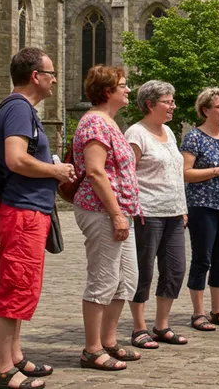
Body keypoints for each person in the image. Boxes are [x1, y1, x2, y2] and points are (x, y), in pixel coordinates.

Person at [0, 48, 75, 389]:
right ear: (35, 76)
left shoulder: (20, 108)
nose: (55, 78)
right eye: (51, 72)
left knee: (23, 287)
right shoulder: (19, 109)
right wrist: (55, 169)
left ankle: (15, 356)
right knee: (14, 288)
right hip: (20, 211)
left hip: (28, 210)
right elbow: (16, 159)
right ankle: (1, 370)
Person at [72, 65, 142, 372]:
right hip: (101, 210)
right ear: (106, 92)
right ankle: (92, 349)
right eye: (123, 86)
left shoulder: (109, 122)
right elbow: (96, 171)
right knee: (103, 280)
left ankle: (108, 341)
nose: (128, 90)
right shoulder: (94, 125)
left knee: (126, 280)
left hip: (119, 211)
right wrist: (116, 214)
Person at [124, 80, 189, 349]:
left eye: (172, 100)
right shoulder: (136, 134)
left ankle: (162, 325)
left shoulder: (169, 132)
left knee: (175, 269)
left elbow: (175, 172)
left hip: (174, 212)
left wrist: (183, 208)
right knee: (143, 271)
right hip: (146, 213)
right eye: (168, 101)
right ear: (150, 104)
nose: (173, 105)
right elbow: (127, 174)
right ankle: (138, 328)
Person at [180, 87, 219, 331]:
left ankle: (217, 310)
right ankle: (198, 312)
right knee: (202, 259)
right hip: (203, 206)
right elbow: (186, 173)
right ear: (205, 110)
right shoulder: (194, 137)